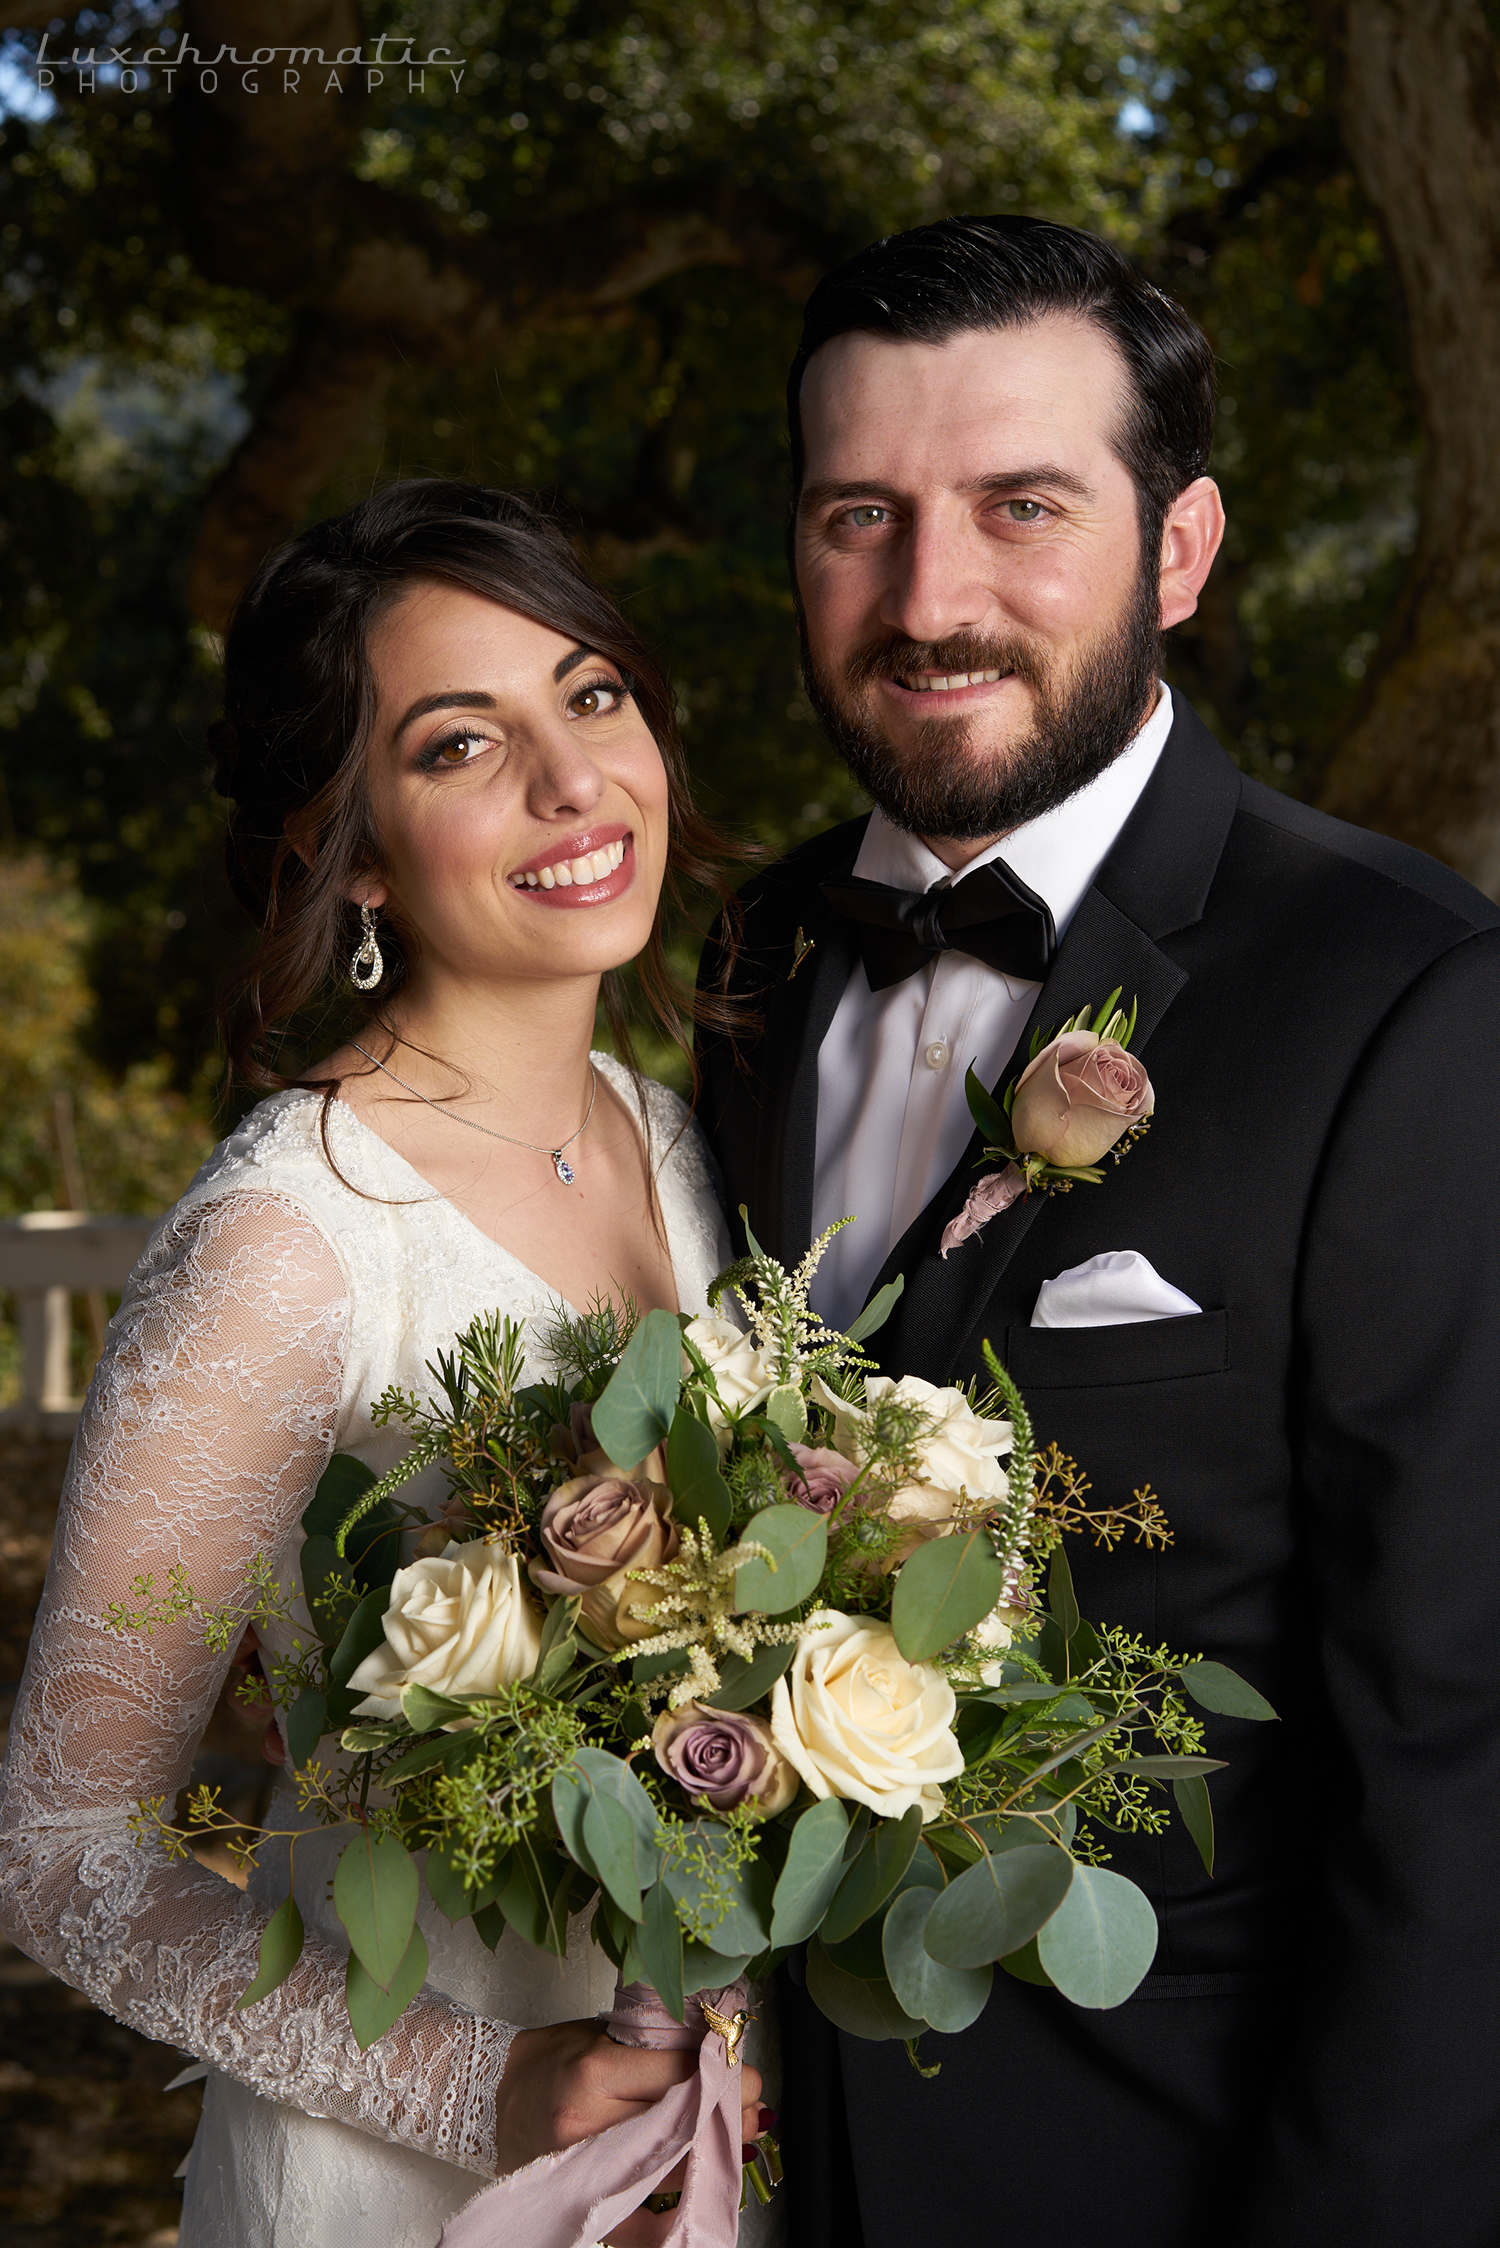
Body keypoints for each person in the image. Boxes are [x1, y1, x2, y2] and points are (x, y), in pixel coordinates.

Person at [695, 216, 1500, 2246]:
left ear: (1183, 548)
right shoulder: (753, 953)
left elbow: (1460, 1766)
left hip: (1183, 2175)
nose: (928, 596)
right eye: (857, 514)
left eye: (1018, 508)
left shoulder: (1409, 994)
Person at [0, 481, 774, 2248]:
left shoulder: (684, 1141)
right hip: (402, 2187)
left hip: (708, 2154)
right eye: (457, 746)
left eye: (591, 697)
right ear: (349, 849)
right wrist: (482, 2088)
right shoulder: (288, 1244)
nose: (574, 784)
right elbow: (60, 1856)